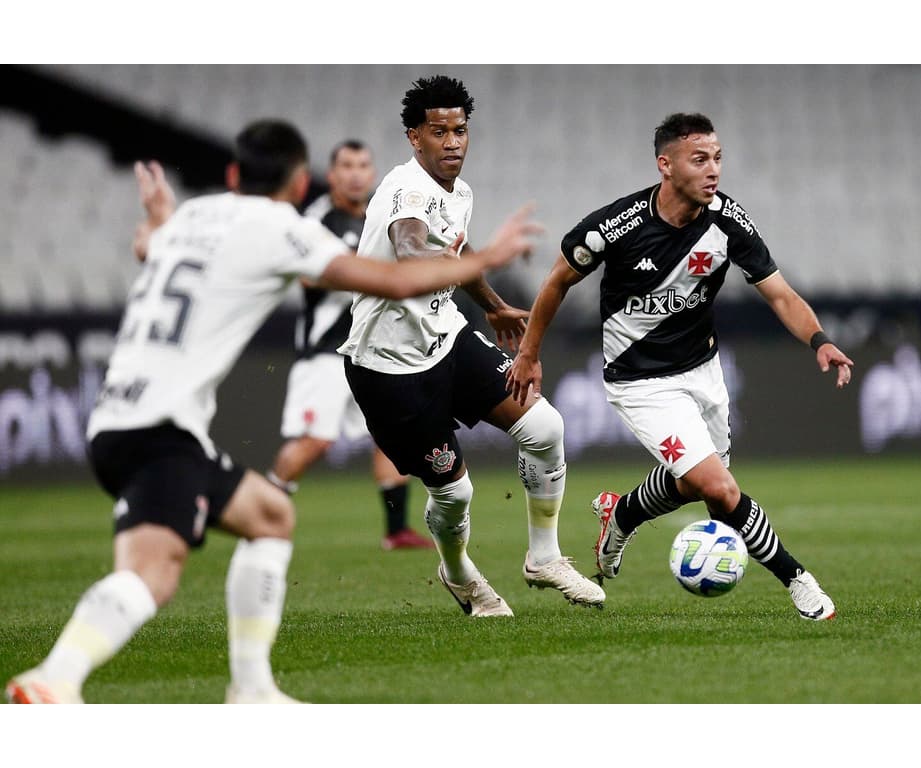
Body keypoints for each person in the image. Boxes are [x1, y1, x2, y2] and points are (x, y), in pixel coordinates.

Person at [5, 119, 540, 704]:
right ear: (295, 185)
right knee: (151, 576)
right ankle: (55, 679)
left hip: (115, 418)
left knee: (269, 517)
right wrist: (485, 257)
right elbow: (389, 279)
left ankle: (253, 688)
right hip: (159, 431)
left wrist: (161, 214)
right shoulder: (283, 226)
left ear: (234, 175)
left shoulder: (193, 216)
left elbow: (147, 247)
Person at [506, 112, 854, 621]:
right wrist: (530, 353)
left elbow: (779, 293)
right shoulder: (617, 225)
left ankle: (621, 512)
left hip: (704, 372)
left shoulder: (728, 220)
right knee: (720, 489)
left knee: (703, 489)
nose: (713, 170)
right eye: (700, 159)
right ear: (665, 165)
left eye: (717, 158)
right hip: (641, 381)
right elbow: (558, 279)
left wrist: (819, 340)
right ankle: (799, 581)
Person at [340, 75, 605, 617]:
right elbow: (413, 252)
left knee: (545, 427)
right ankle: (459, 573)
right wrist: (482, 263)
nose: (454, 142)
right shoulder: (406, 192)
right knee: (455, 495)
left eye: (460, 130)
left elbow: (454, 250)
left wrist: (491, 302)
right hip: (390, 369)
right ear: (415, 137)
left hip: (448, 338)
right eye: (439, 132)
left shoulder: (457, 192)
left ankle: (544, 556)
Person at [269, 139, 432, 551]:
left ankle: (396, 531)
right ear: (333, 173)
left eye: (363, 164)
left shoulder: (379, 218)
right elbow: (308, 275)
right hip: (324, 352)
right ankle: (264, 512)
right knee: (315, 442)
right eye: (347, 165)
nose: (356, 173)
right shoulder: (318, 218)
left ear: (373, 173)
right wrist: (366, 270)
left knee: (390, 437)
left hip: (370, 350)